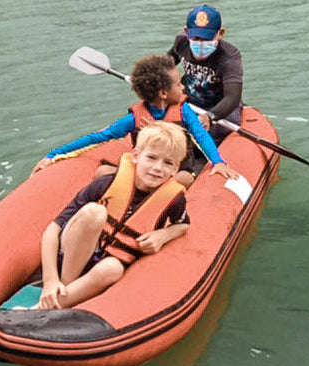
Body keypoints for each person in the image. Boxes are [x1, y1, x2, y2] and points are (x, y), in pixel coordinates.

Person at [34, 121, 191, 310]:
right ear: (135, 156)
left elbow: (183, 224)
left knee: (114, 268)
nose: (158, 168)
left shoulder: (174, 200)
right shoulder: (105, 184)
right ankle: (60, 292)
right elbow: (53, 229)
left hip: (103, 266)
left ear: (175, 169)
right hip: (72, 255)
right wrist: (50, 280)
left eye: (168, 163)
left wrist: (163, 235)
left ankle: (51, 305)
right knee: (95, 212)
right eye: (151, 158)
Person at [34, 53, 240, 186]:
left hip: (174, 168)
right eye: (178, 84)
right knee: (103, 172)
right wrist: (55, 154)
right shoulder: (135, 118)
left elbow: (202, 136)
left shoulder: (184, 112)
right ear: (163, 93)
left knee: (183, 179)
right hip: (144, 169)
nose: (184, 88)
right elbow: (99, 137)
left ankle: (152, 201)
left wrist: (218, 163)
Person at [168, 4, 243, 144]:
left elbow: (232, 97)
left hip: (218, 108)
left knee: (203, 137)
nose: (201, 43)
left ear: (221, 34)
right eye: (196, 38)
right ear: (186, 31)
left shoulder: (230, 57)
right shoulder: (181, 43)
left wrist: (210, 116)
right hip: (189, 102)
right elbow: (165, 65)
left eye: (207, 39)